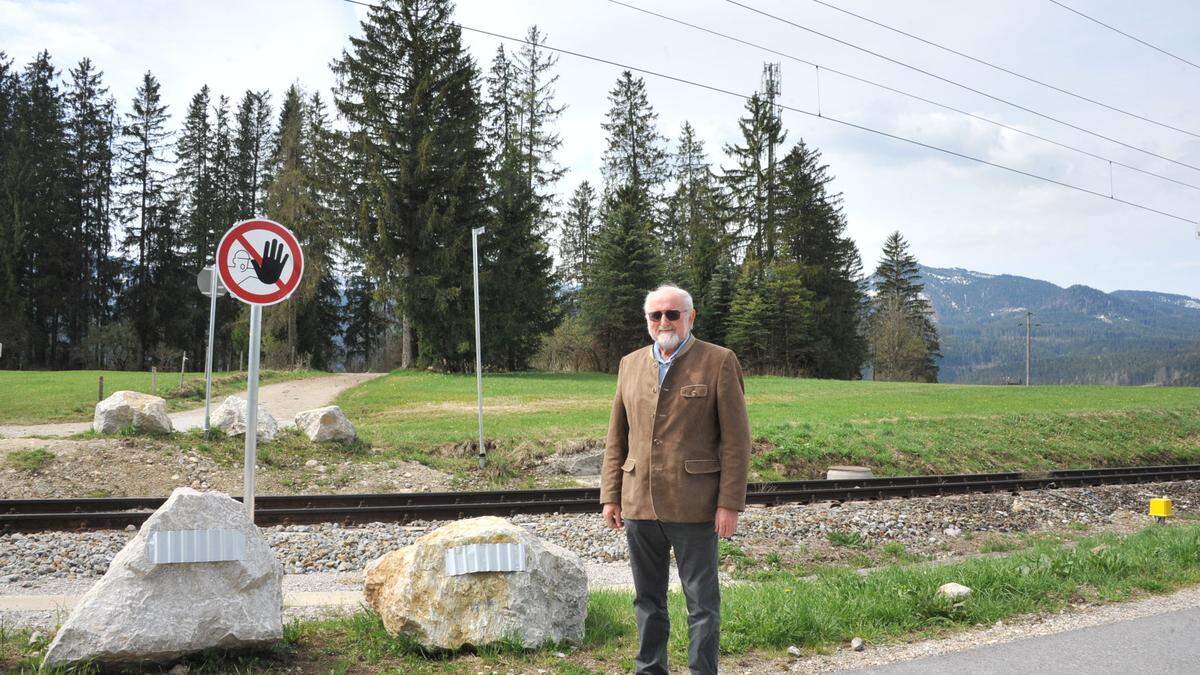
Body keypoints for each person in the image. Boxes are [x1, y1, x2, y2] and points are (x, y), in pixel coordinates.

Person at [600, 284, 752, 675]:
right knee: (647, 601)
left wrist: (729, 504)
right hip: (638, 503)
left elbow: (736, 440)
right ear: (647, 320)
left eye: (672, 314)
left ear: (691, 317)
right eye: (656, 315)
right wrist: (610, 496)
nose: (664, 321)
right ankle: (649, 669)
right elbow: (617, 436)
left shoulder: (719, 361)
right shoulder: (629, 364)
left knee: (702, 604)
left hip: (696, 505)